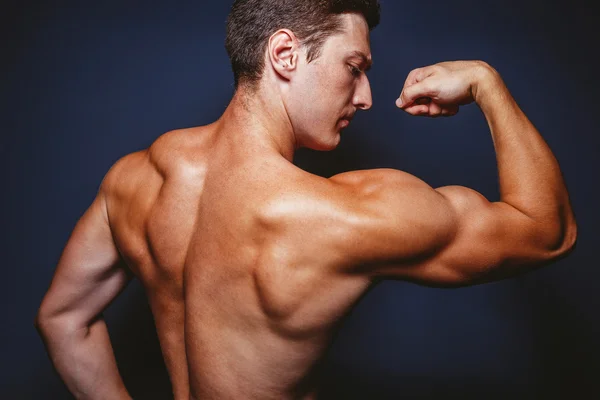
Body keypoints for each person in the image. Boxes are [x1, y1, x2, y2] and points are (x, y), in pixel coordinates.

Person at [35, 0, 577, 399]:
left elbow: (63, 319)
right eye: (354, 67)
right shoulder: (341, 215)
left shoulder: (136, 179)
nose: (365, 97)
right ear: (285, 54)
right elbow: (547, 231)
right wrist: (487, 84)